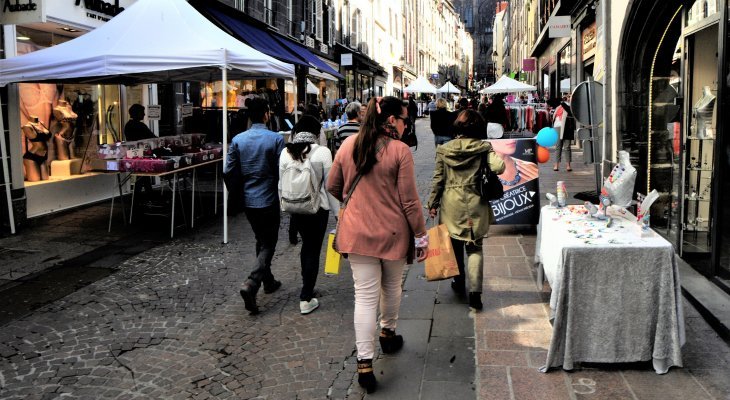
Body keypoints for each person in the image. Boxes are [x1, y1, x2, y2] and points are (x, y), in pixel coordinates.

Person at [326, 96, 428, 393]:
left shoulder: (348, 146)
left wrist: (355, 202)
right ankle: (388, 333)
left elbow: (333, 185)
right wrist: (421, 236)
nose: (407, 125)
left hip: (357, 234)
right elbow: (409, 202)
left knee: (364, 297)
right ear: (392, 120)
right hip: (393, 233)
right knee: (392, 287)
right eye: (406, 120)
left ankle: (365, 365)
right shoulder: (400, 151)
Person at [427, 109, 505, 310]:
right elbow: (499, 167)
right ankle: (475, 294)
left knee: (454, 244)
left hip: (451, 203)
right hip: (475, 202)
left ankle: (458, 281)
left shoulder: (444, 149)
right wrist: (489, 152)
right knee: (474, 247)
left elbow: (438, 179)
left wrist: (432, 204)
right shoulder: (482, 148)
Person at [226, 97, 286, 315]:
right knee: (269, 242)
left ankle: (268, 281)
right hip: (268, 197)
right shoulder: (275, 139)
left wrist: (237, 191)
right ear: (266, 114)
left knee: (261, 239)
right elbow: (283, 169)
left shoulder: (238, 140)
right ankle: (252, 283)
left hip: (249, 199)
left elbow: (227, 170)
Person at [279, 116, 339, 314]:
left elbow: (281, 184)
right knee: (313, 249)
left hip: (295, 207)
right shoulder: (322, 152)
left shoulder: (285, 153)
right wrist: (339, 214)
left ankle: (308, 287)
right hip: (317, 209)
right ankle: (306, 297)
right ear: (316, 132)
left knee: (307, 247)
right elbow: (330, 188)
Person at [21, 116, 52, 182]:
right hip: (32, 157)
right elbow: (33, 137)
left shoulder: (41, 124)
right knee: (35, 181)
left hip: (43, 156)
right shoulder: (27, 127)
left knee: (46, 181)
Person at [552, 96, 575, 171]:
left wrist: (563, 104)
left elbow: (570, 111)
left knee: (567, 147)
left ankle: (568, 165)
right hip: (558, 127)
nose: (566, 100)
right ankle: (556, 165)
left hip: (567, 128)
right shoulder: (558, 107)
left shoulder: (570, 107)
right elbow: (554, 118)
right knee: (558, 146)